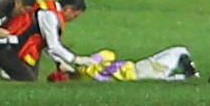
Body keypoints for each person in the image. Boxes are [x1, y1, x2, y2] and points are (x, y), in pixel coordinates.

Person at [0, 0, 94, 81]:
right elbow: (53, 46)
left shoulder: (47, 8)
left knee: (30, 81)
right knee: (27, 81)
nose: (73, 19)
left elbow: (46, 41)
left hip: (17, 48)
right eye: (75, 15)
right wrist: (77, 59)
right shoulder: (50, 15)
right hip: (10, 48)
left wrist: (60, 62)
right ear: (68, 9)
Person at [47, 46, 200, 82]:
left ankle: (188, 78)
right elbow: (109, 54)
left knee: (170, 79)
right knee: (180, 50)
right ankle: (192, 75)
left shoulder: (84, 78)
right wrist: (80, 60)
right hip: (139, 70)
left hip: (139, 75)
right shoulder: (86, 68)